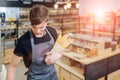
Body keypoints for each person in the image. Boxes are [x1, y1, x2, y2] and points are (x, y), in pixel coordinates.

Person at [7, 5, 62, 80]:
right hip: (35, 77)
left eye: (41, 27)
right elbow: (12, 66)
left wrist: (58, 55)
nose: (37, 31)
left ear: (46, 22)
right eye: (34, 27)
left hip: (52, 75)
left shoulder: (52, 32)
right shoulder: (23, 41)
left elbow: (60, 49)